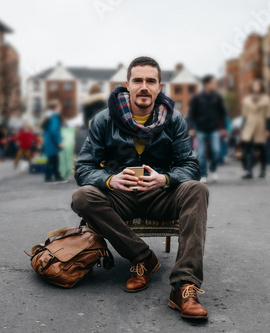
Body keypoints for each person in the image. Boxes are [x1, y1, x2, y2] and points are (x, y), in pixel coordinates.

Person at [71, 57, 209, 319]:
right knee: (82, 197)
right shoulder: (104, 120)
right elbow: (84, 168)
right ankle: (143, 257)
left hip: (161, 196)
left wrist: (165, 179)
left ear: (159, 87)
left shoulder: (174, 120)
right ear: (127, 85)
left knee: (197, 190)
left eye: (150, 81)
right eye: (138, 80)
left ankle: (184, 286)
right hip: (120, 196)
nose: (144, 86)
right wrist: (110, 180)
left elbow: (190, 167)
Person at [188, 75, 227, 183]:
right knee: (201, 153)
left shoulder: (217, 97)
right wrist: (191, 127)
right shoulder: (197, 97)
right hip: (201, 129)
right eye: (213, 83)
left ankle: (213, 168)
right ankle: (203, 174)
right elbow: (192, 114)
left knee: (216, 151)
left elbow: (222, 113)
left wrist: (223, 127)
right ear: (207, 84)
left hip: (214, 129)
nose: (215, 85)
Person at [240, 80, 270, 179]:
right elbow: (244, 115)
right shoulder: (247, 99)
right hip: (249, 125)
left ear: (261, 87)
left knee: (262, 149)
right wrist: (242, 128)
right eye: (254, 85)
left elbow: (268, 115)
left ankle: (263, 170)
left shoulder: (266, 99)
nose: (255, 87)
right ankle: (249, 171)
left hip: (261, 125)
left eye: (257, 85)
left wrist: (268, 129)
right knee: (248, 149)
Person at [42, 100, 64, 182]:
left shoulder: (48, 116)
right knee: (53, 160)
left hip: (48, 141)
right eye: (59, 107)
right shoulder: (54, 116)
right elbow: (54, 130)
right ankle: (50, 177)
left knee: (53, 160)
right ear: (56, 107)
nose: (60, 108)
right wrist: (59, 141)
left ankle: (56, 176)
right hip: (53, 142)